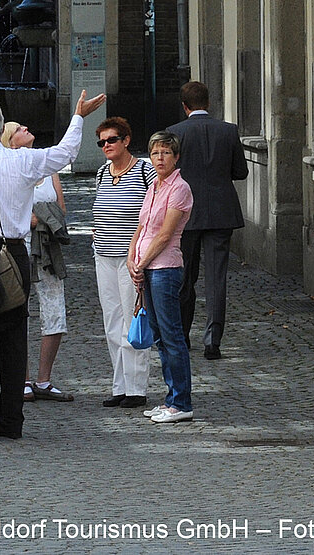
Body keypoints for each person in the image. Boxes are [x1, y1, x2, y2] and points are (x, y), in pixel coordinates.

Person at [0, 93, 104, 441]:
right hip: (15, 252)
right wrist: (77, 116)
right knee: (14, 338)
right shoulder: (24, 160)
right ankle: (12, 420)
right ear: (1, 127)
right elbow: (65, 153)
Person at [164, 81, 249, 361]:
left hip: (184, 213)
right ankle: (213, 340)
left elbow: (167, 173)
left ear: (184, 106)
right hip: (221, 211)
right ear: (208, 103)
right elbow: (241, 171)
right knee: (216, 278)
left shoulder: (174, 133)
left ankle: (182, 334)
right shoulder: (228, 130)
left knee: (183, 276)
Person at [0, 122, 72, 403]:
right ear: (10, 141)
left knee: (55, 311)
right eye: (19, 128)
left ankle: (44, 379)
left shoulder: (48, 168)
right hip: (19, 248)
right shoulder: (7, 171)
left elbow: (61, 209)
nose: (27, 128)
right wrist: (27, 218)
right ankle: (23, 379)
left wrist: (40, 218)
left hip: (48, 248)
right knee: (18, 311)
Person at [89, 117, 154, 408]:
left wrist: (141, 253)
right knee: (112, 321)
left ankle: (136, 388)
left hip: (131, 258)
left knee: (132, 320)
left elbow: (153, 213)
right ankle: (120, 385)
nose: (106, 145)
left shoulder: (144, 170)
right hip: (103, 255)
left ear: (126, 140)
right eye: (101, 142)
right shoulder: (103, 172)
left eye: (111, 140)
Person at [133, 132, 195, 424]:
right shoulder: (154, 187)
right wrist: (133, 259)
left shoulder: (179, 189)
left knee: (172, 336)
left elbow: (165, 234)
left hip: (165, 268)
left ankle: (181, 402)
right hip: (148, 267)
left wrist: (142, 262)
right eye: (155, 153)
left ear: (176, 157)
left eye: (166, 153)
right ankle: (171, 399)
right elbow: (142, 227)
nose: (159, 158)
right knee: (159, 335)